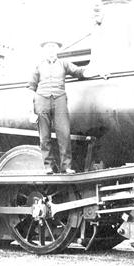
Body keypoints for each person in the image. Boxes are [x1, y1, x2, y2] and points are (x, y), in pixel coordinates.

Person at [27, 41, 86, 174]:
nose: (51, 50)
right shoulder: (38, 65)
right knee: (44, 136)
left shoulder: (64, 64)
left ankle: (66, 166)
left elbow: (78, 71)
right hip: (41, 100)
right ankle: (48, 166)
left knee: (64, 134)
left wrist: (93, 71)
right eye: (48, 47)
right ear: (44, 50)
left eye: (53, 47)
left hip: (59, 100)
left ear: (58, 49)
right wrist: (31, 110)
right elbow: (31, 88)